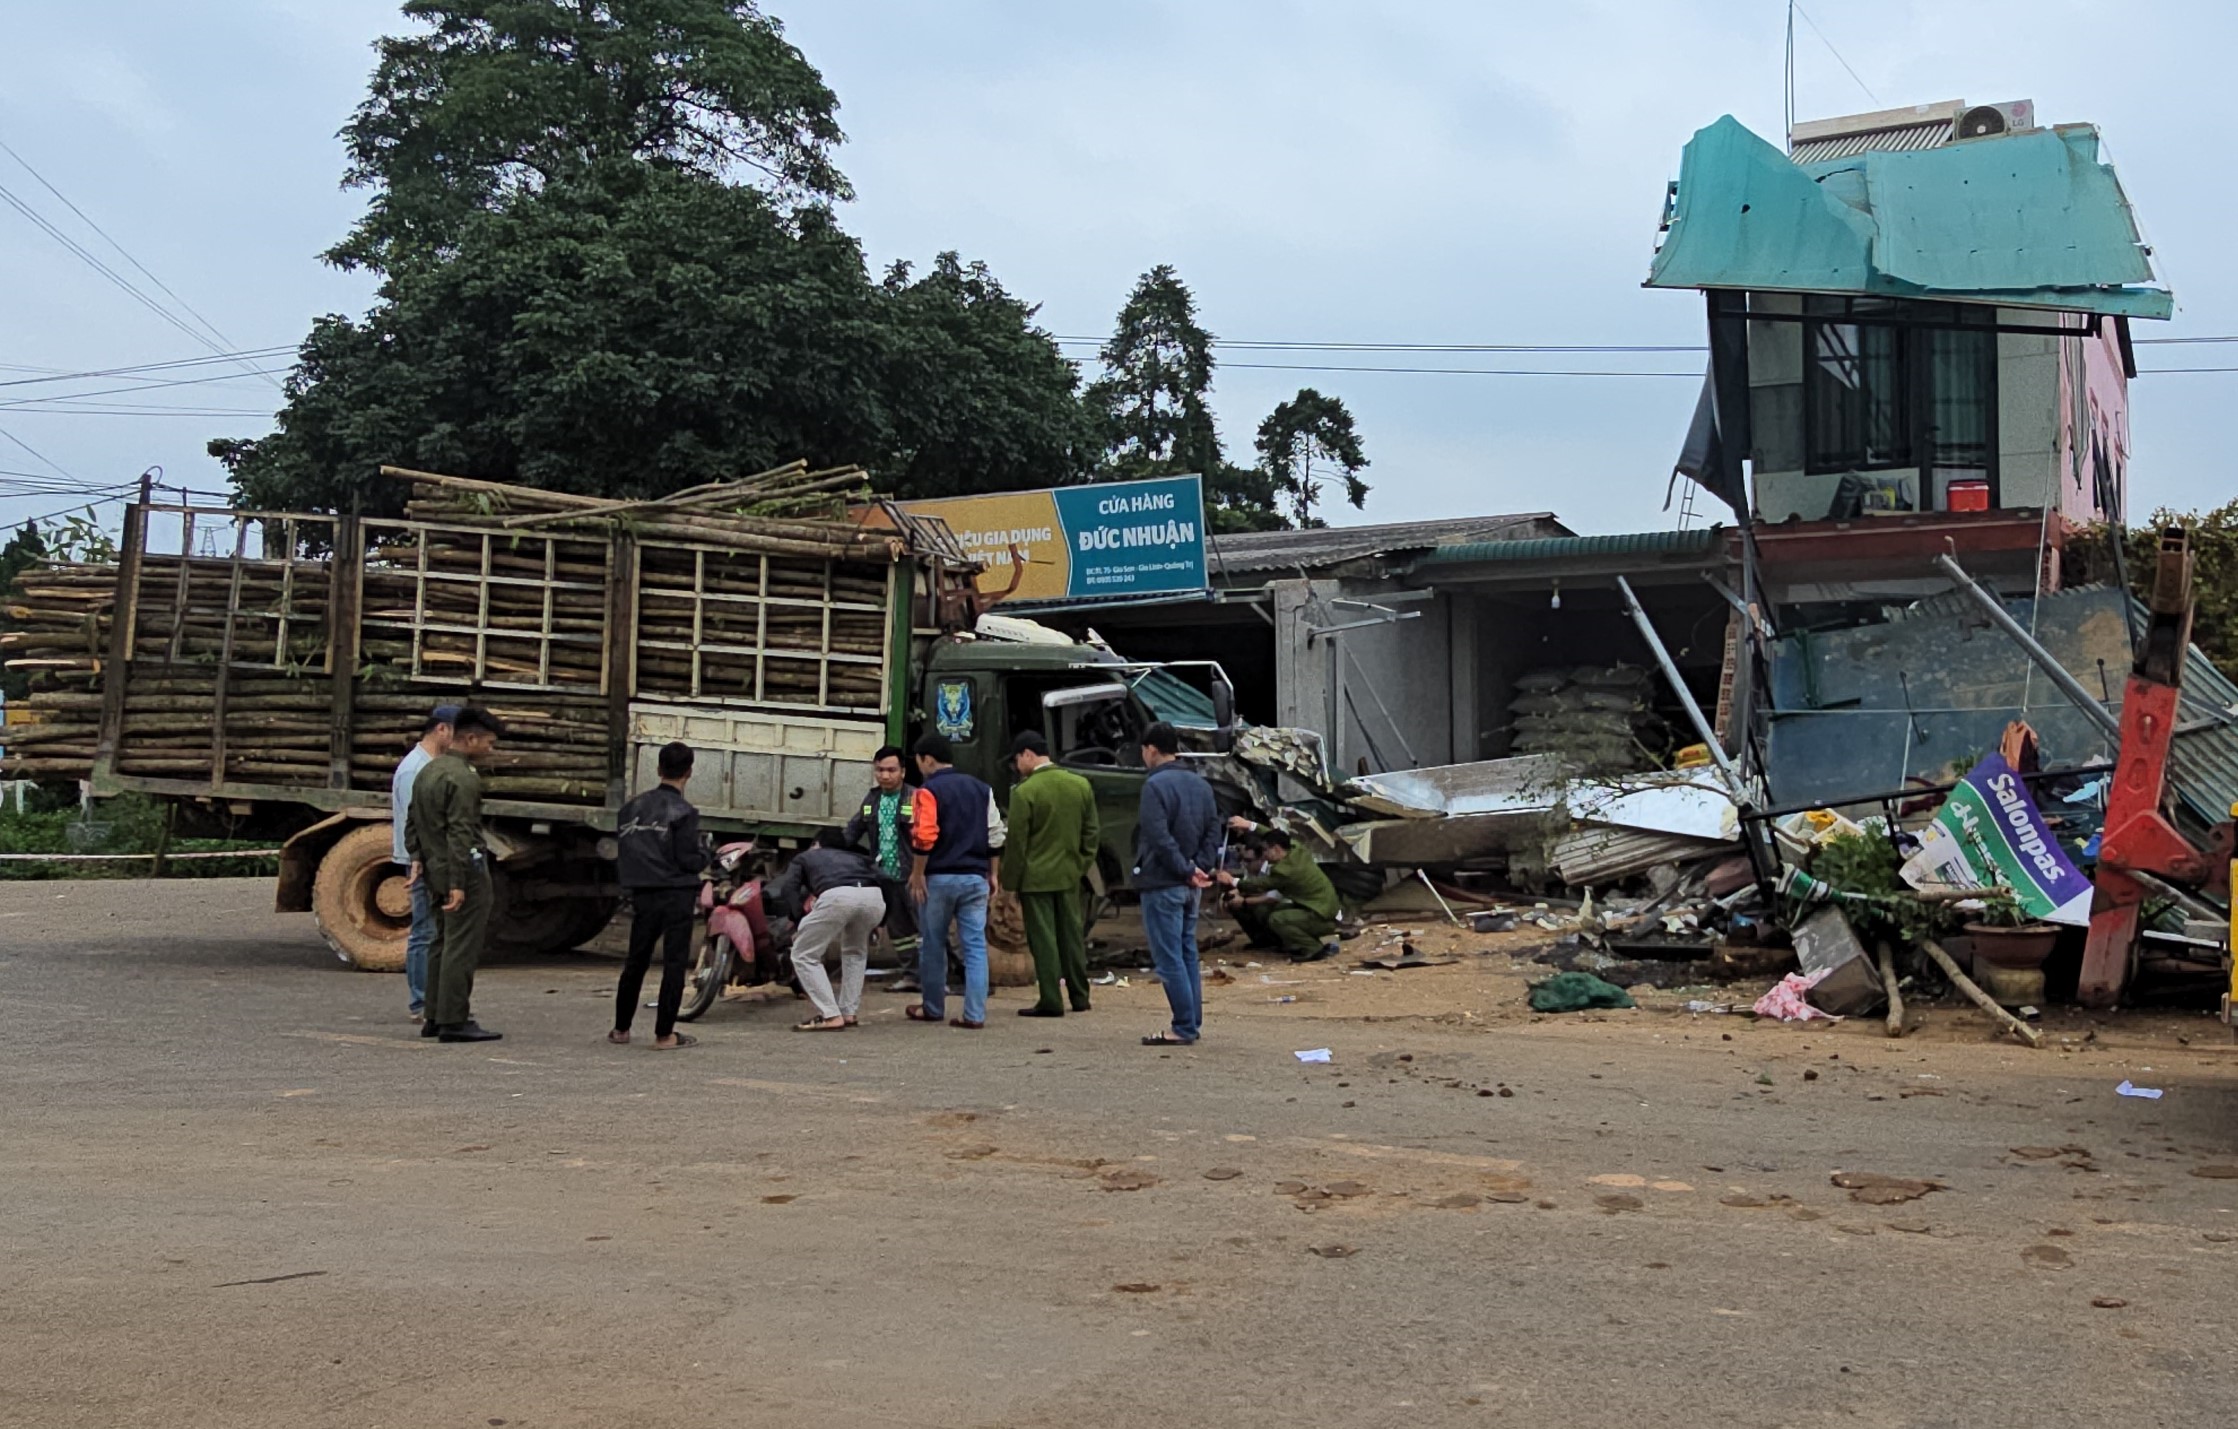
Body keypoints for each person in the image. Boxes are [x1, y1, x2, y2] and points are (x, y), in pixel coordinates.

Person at [405, 705, 506, 1043]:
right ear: (471, 738)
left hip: (434, 867)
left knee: (440, 941)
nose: (491, 750)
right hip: (460, 872)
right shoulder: (463, 778)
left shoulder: (428, 771)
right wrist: (458, 883)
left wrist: (417, 856)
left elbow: (412, 818)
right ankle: (454, 1018)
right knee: (461, 945)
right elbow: (461, 833)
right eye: (489, 743)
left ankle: (433, 1014)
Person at [609, 740, 709, 1050]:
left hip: (642, 893)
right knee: (674, 962)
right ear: (689, 772)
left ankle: (621, 1029)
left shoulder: (630, 809)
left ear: (658, 769)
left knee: (636, 961)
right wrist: (706, 855)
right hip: (676, 893)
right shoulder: (684, 812)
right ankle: (665, 1034)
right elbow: (687, 859)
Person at [905, 732, 1006, 1030]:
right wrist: (993, 873)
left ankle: (933, 1007)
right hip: (975, 878)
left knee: (933, 944)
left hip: (939, 878)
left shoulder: (926, 792)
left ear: (928, 759)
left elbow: (924, 836)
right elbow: (995, 834)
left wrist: (918, 873)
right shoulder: (981, 789)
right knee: (974, 945)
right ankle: (974, 1014)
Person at [1001, 730, 1101, 1018]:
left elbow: (1017, 843)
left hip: (1035, 879)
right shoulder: (1080, 785)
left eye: (1017, 760)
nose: (1017, 766)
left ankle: (1051, 999)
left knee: (1043, 939)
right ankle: (1080, 997)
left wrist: (1011, 882)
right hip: (1069, 874)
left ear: (1027, 754)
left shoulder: (1024, 792)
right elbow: (1092, 833)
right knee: (1072, 936)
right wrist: (1080, 864)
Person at [1133, 721, 1220, 1047]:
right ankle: (1191, 1021)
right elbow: (1213, 829)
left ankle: (1183, 1026)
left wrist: (1185, 869)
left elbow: (1157, 836)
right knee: (1186, 953)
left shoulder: (1154, 787)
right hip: (1191, 884)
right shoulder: (1201, 786)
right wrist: (1201, 868)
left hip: (1163, 881)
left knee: (1169, 958)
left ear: (1151, 750)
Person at [772, 827, 888, 1031]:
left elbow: (788, 889)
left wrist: (798, 919)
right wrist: (881, 921)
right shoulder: (859, 858)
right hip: (874, 897)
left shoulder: (807, 856)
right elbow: (886, 881)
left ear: (817, 844)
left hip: (837, 896)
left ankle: (830, 1015)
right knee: (855, 953)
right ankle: (848, 1013)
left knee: (803, 954)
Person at [390, 703, 459, 1022]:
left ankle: (433, 996)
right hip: (420, 861)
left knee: (435, 931)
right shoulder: (413, 770)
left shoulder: (434, 764)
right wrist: (419, 859)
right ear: (442, 729)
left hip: (434, 859)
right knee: (424, 930)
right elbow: (413, 821)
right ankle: (420, 1001)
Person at [844, 744, 932, 988]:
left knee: (927, 926)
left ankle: (939, 976)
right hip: (885, 878)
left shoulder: (916, 797)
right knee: (899, 930)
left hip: (914, 876)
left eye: (891, 770)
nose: (885, 775)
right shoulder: (872, 799)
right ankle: (911, 975)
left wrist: (921, 872)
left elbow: (928, 837)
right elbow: (853, 830)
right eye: (880, 770)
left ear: (902, 772)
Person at [1216, 821, 1340, 962]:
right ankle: (1281, 942)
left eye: (1265, 850)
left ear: (1275, 849)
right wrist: (1249, 825)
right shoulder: (1295, 848)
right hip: (1320, 908)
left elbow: (1259, 885)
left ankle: (1312, 948)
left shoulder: (1284, 870)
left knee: (1277, 918)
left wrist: (1232, 881)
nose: (1263, 854)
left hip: (1320, 916)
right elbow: (1273, 835)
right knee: (1266, 911)